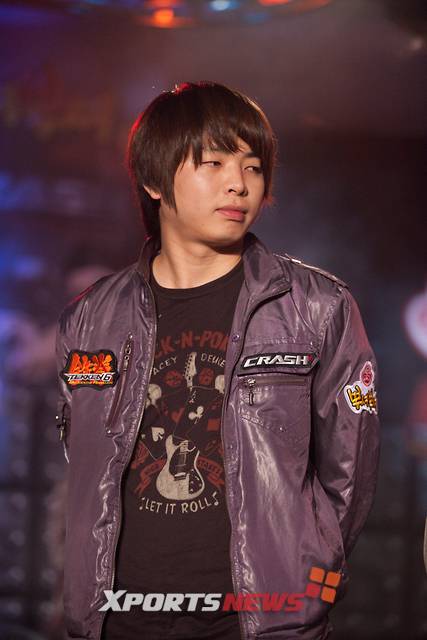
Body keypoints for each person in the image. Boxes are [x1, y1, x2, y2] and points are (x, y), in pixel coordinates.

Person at [55, 81, 380, 640]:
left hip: (262, 620)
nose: (239, 183)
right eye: (214, 163)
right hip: (117, 619)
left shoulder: (317, 308)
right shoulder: (89, 319)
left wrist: (313, 584)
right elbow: (83, 461)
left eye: (253, 167)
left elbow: (350, 472)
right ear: (154, 179)